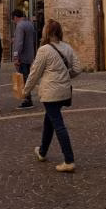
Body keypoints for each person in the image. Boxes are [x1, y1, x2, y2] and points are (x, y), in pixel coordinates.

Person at [23, 19, 81, 173]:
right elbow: (77, 68)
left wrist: (25, 90)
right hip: (64, 92)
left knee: (58, 124)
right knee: (49, 121)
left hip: (50, 92)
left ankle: (69, 160)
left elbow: (35, 73)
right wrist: (66, 76)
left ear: (46, 32)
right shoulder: (67, 47)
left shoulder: (44, 50)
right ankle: (42, 151)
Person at [12, 9, 36, 109]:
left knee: (23, 78)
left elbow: (19, 43)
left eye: (13, 19)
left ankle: (27, 100)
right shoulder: (30, 24)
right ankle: (28, 98)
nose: (14, 22)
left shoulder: (20, 26)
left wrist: (16, 56)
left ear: (15, 17)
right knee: (27, 77)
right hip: (30, 55)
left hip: (22, 56)